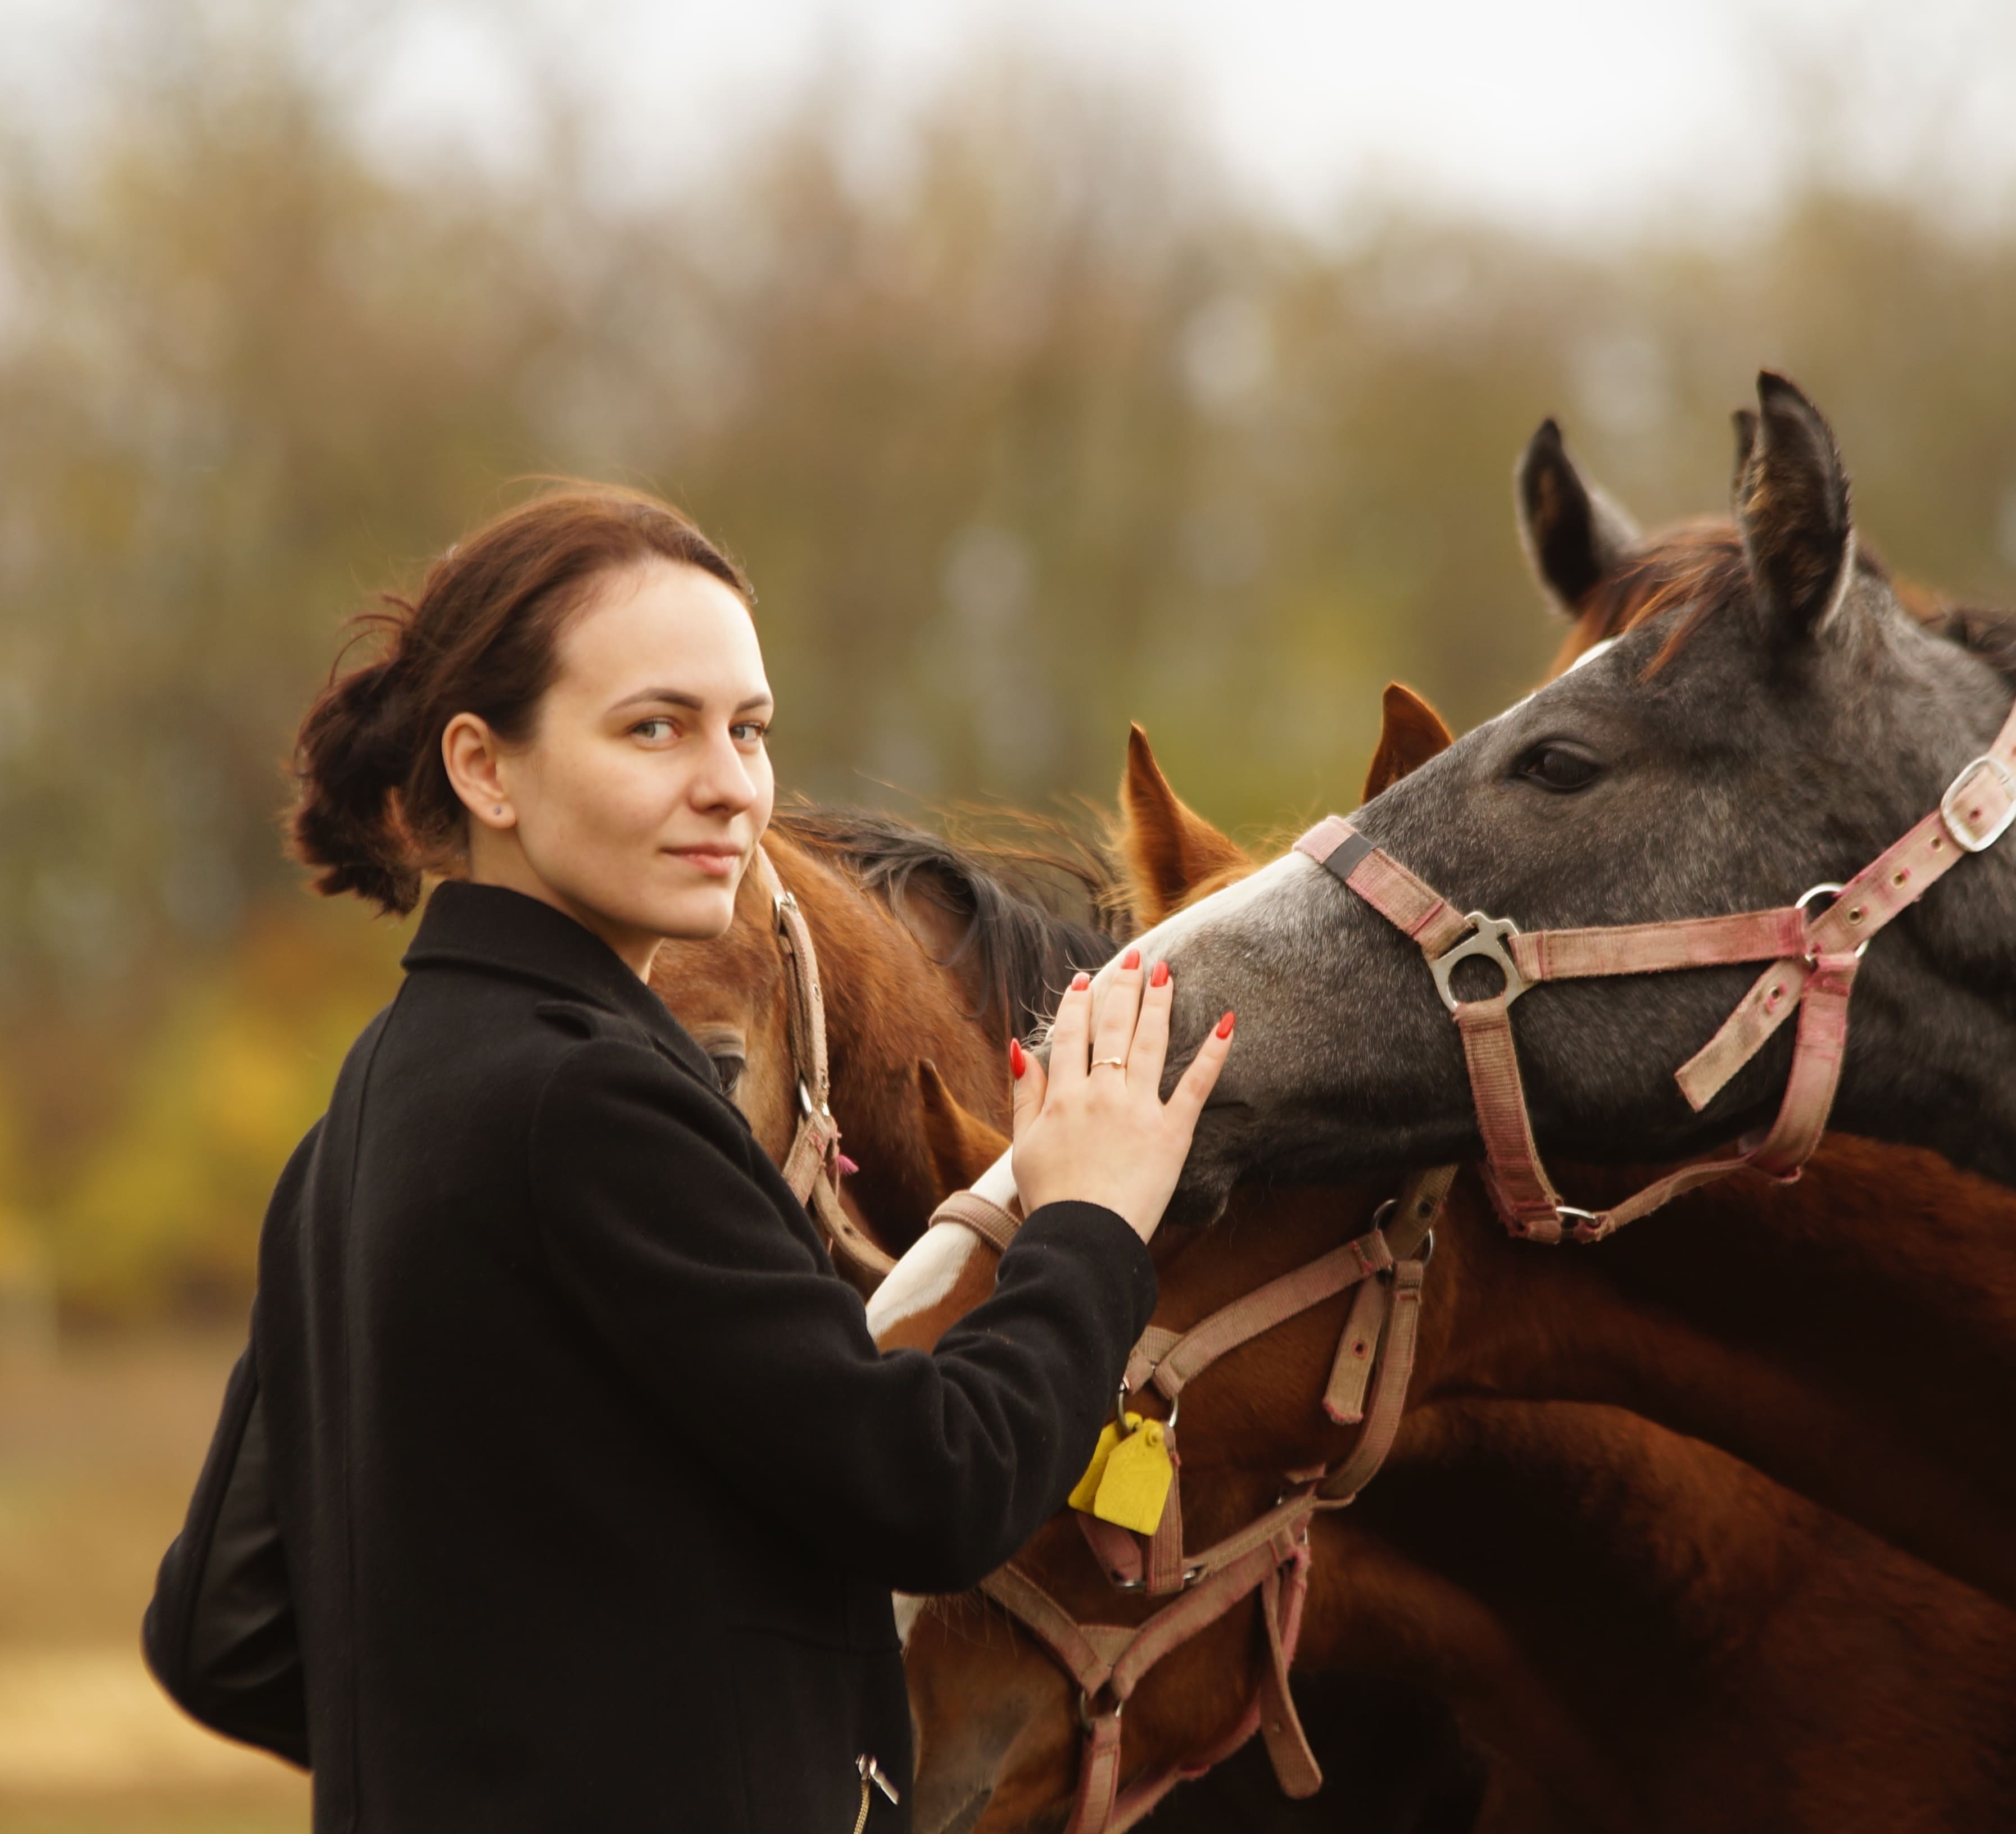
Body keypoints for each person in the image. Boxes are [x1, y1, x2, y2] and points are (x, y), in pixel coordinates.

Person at [140, 486, 1233, 1832]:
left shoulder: (356, 1121)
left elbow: (224, 1629)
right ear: (485, 770)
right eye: (654, 727)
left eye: (748, 729)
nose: (731, 784)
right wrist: (1091, 1223)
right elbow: (938, 1485)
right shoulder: (587, 1103)